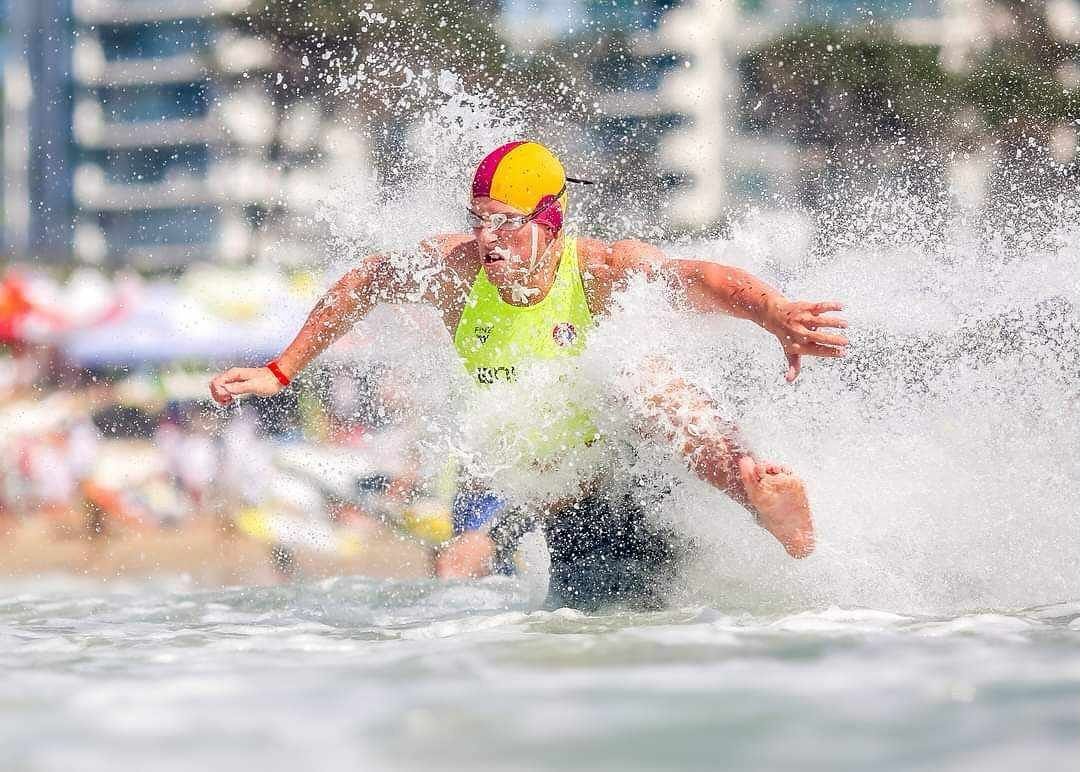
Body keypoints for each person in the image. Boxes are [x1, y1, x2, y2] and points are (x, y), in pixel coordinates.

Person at [210, 140, 848, 609]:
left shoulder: (598, 271)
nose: (489, 238)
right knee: (584, 637)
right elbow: (362, 285)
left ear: (549, 220)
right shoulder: (455, 273)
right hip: (563, 507)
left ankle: (753, 490)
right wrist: (282, 369)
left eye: (506, 222)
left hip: (642, 477)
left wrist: (775, 312)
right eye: (479, 217)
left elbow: (700, 279)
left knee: (639, 377)